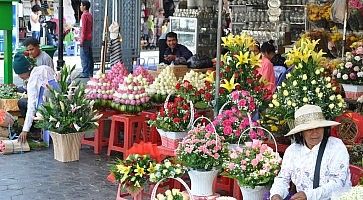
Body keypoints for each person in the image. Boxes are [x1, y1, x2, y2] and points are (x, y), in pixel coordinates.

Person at [270, 104, 351, 200]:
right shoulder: (292, 151)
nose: (315, 132)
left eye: (318, 127)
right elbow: (283, 178)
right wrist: (276, 194)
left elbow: (338, 183)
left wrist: (308, 195)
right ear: (301, 132)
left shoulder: (336, 147)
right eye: (309, 129)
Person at [12, 52, 56, 143]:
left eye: (19, 74)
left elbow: (31, 106)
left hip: (46, 108)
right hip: (58, 101)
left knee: (23, 102)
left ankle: (34, 131)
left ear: (22, 72)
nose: (19, 77)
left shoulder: (32, 82)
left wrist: (25, 130)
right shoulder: (45, 68)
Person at [79, 0, 94, 78]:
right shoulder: (90, 15)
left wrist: (81, 39)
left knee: (84, 56)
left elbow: (83, 29)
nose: (80, 7)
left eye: (81, 5)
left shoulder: (84, 15)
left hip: (84, 38)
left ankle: (85, 72)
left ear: (84, 6)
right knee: (89, 56)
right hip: (89, 38)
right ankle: (90, 72)